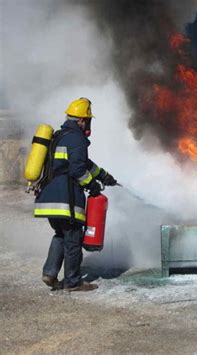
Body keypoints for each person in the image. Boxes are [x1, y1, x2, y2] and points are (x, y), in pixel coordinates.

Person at [34, 98, 117, 292]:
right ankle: (72, 282)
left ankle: (50, 273)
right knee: (73, 239)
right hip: (66, 199)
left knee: (60, 235)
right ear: (82, 120)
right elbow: (78, 170)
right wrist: (92, 185)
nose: (88, 124)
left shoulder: (61, 135)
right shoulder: (77, 138)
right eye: (87, 120)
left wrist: (104, 176)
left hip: (50, 198)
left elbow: (85, 163)